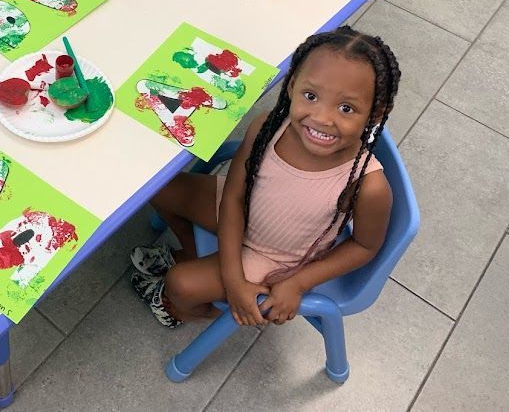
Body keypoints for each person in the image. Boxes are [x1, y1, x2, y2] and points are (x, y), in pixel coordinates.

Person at [131, 26, 400, 329]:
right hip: (239, 213)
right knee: (156, 187)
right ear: (292, 86)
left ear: (377, 112)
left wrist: (298, 283)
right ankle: (192, 254)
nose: (323, 118)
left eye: (346, 108)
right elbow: (233, 198)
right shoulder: (268, 126)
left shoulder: (369, 185)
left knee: (180, 284)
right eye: (310, 96)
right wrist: (232, 279)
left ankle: (190, 311)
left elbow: (364, 246)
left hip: (277, 260)